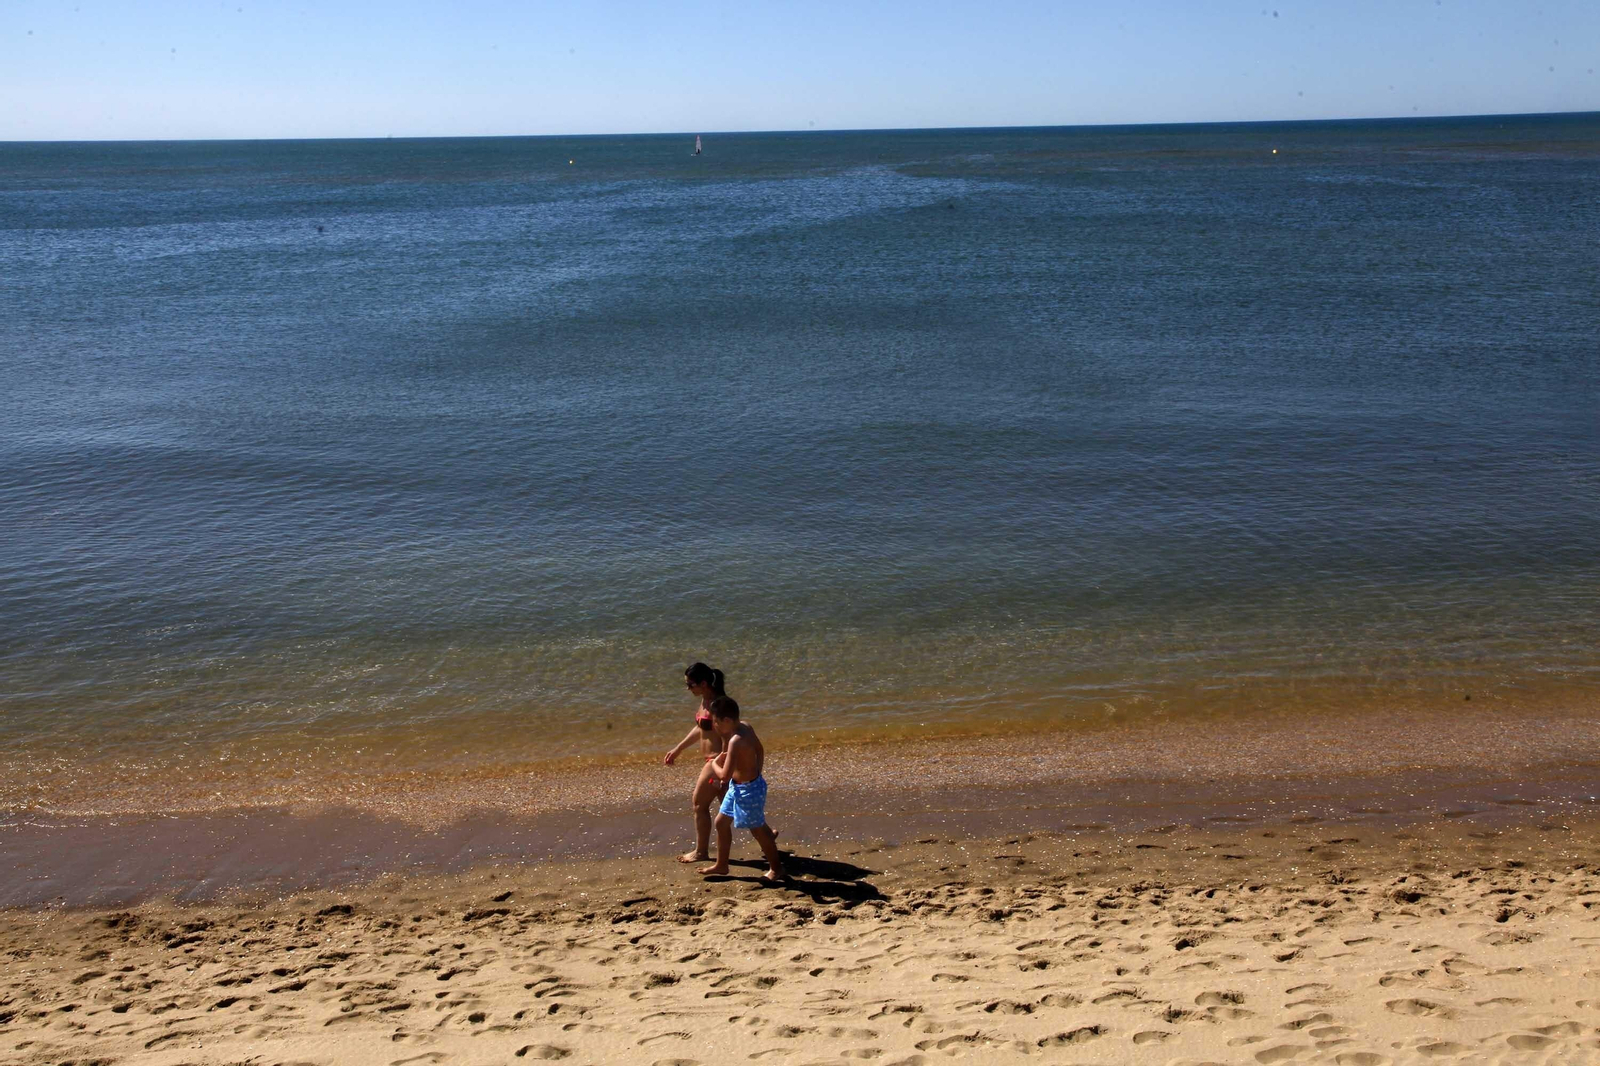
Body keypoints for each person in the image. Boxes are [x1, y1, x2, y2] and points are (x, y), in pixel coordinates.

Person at [702, 695, 785, 882]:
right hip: (738, 787)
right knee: (721, 823)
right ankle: (722, 865)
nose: (714, 726)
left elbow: (723, 774)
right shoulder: (745, 726)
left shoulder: (736, 741)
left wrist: (714, 763)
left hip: (748, 790)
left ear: (727, 720)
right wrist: (758, 772)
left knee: (757, 831)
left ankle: (777, 868)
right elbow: (760, 750)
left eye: (716, 722)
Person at [662, 662, 728, 864]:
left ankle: (701, 852)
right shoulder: (705, 701)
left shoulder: (719, 704)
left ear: (704, 683)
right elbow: (701, 728)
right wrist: (678, 748)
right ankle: (768, 836)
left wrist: (723, 766)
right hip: (714, 763)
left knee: (699, 804)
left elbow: (729, 736)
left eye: (690, 685)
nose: (688, 688)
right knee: (737, 807)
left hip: (717, 762)